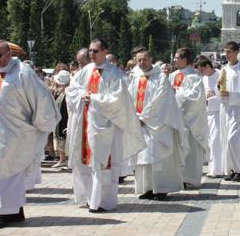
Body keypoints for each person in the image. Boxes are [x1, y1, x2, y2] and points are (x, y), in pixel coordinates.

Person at [0, 40, 60, 227]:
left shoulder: (23, 72)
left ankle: (8, 213)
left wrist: (37, 125)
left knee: (10, 170)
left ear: (9, 54)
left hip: (16, 132)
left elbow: (41, 98)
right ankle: (10, 211)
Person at [66, 39, 145, 213]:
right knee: (86, 164)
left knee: (104, 166)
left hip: (107, 128)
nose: (91, 54)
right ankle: (89, 198)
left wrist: (93, 98)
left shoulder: (114, 74)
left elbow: (117, 100)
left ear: (104, 51)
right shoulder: (85, 71)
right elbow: (71, 90)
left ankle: (104, 202)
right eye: (90, 51)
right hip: (85, 125)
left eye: (95, 51)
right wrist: (81, 95)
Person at [129, 50, 187, 200]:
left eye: (145, 60)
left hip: (157, 124)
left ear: (151, 59)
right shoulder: (135, 77)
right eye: (139, 60)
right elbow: (129, 98)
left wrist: (144, 117)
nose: (142, 63)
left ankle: (161, 189)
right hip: (139, 123)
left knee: (157, 156)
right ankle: (147, 188)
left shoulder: (160, 77)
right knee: (143, 157)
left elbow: (160, 100)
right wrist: (134, 116)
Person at [169, 48, 207, 189]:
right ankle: (178, 177)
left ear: (185, 60)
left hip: (191, 122)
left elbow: (194, 98)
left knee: (191, 150)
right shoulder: (172, 76)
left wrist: (176, 92)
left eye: (177, 58)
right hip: (175, 120)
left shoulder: (195, 77)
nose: (174, 60)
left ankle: (191, 179)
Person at [219, 41, 240, 182]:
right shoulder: (224, 69)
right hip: (225, 108)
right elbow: (219, 88)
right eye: (225, 51)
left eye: (229, 52)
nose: (226, 55)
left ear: (236, 52)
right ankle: (231, 169)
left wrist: (231, 94)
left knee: (234, 139)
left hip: (237, 109)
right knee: (226, 140)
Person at [197, 57, 224, 178]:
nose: (201, 73)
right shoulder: (204, 78)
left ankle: (218, 169)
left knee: (216, 141)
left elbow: (224, 95)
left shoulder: (220, 75)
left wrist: (213, 96)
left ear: (208, 67)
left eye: (202, 70)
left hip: (218, 112)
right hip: (206, 112)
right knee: (208, 141)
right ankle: (212, 167)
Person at [50, 70, 72, 169]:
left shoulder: (69, 92)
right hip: (60, 120)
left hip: (66, 120)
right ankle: (62, 159)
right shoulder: (62, 92)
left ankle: (67, 160)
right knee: (59, 140)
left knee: (66, 141)